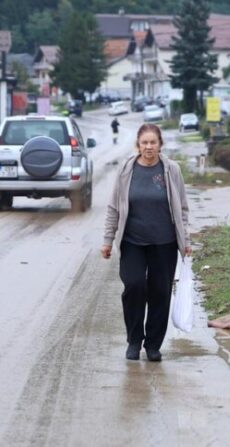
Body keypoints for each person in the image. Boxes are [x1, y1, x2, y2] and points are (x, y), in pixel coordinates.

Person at [100, 123, 191, 362]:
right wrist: (108, 240)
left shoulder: (172, 170)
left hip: (165, 243)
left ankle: (152, 345)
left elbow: (182, 209)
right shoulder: (126, 170)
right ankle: (133, 340)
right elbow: (113, 208)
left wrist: (185, 241)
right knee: (134, 286)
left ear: (160, 144)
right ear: (138, 146)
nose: (149, 147)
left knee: (160, 293)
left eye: (153, 142)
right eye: (144, 143)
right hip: (133, 242)